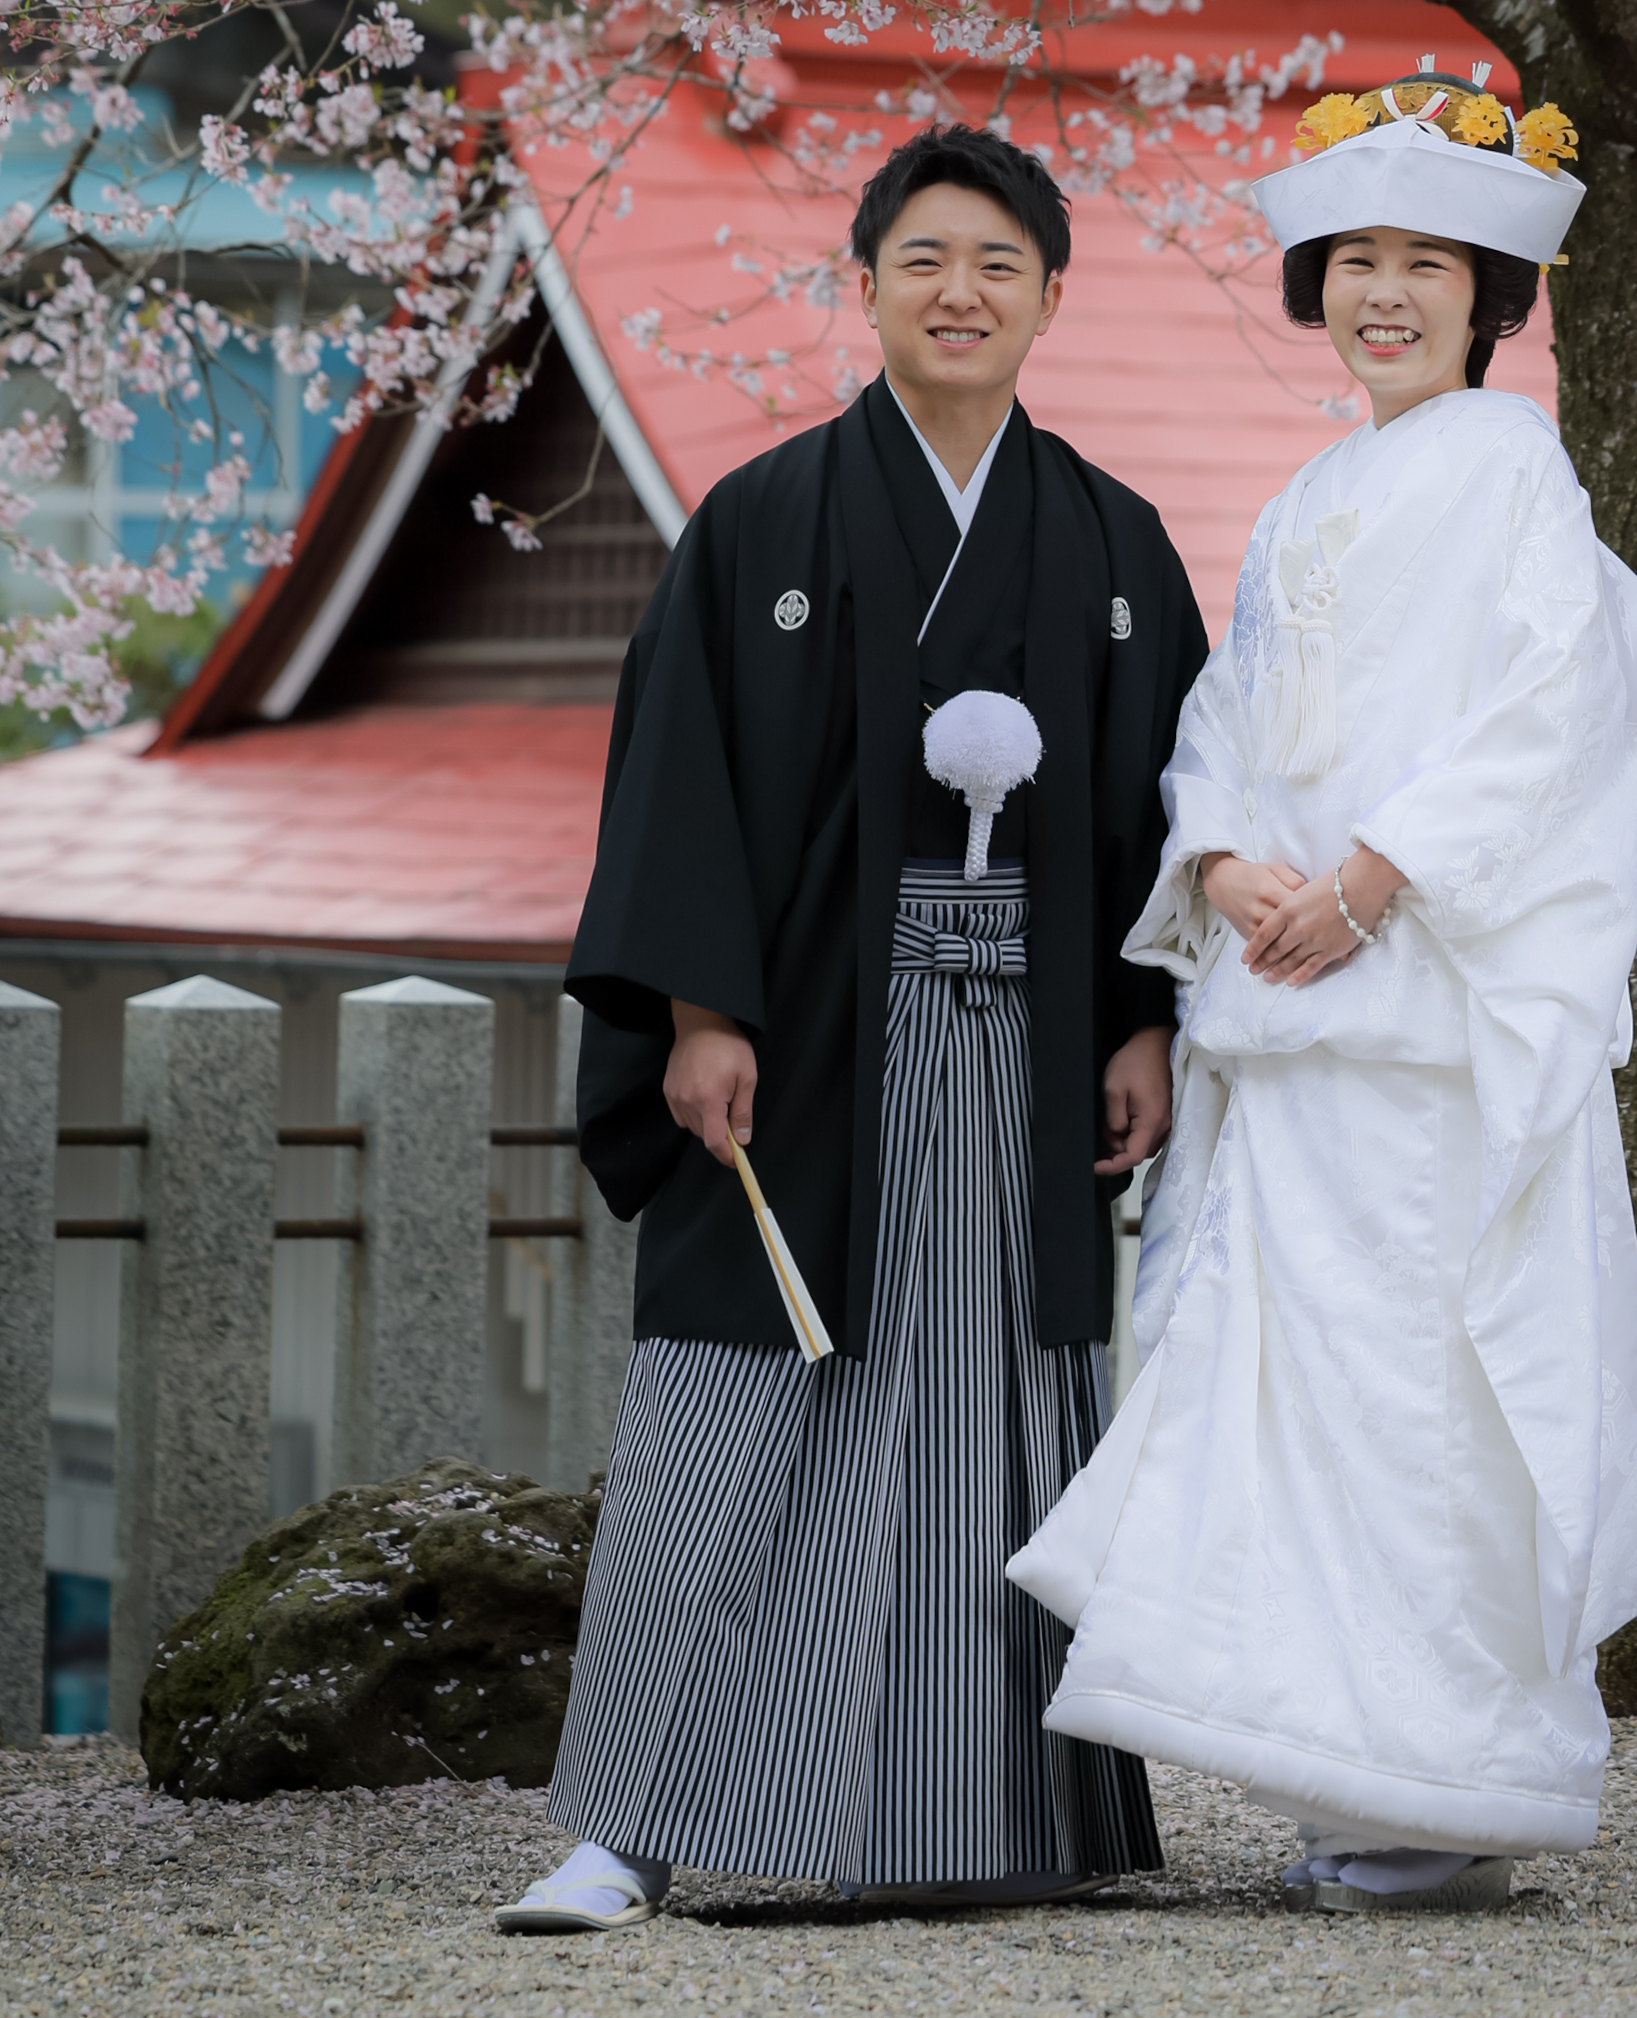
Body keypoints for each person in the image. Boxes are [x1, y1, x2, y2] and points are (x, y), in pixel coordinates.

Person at [495, 123, 1208, 1933]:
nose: (958, 291)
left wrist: (1142, 1023)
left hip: (1032, 1048)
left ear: (1052, 293)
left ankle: (976, 1815)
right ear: (865, 283)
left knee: (995, 1410)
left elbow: (1153, 810)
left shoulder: (1115, 542)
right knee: (732, 1399)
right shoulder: (765, 520)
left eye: (996, 263)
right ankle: (624, 1831)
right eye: (924, 259)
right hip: (807, 1032)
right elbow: (681, 784)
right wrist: (699, 1010)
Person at [1010, 65, 1637, 1917]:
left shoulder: (1510, 464)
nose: (1386, 293)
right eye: (1357, 260)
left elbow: (1548, 706)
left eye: (1431, 264)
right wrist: (1223, 860)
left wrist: (1384, 873)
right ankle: (1350, 1768)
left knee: (1429, 1396)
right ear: (1317, 283)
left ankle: (1452, 1775)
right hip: (1297, 999)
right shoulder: (1312, 489)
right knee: (1304, 1399)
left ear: (1492, 302)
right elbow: (1227, 715)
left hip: (1423, 1020)